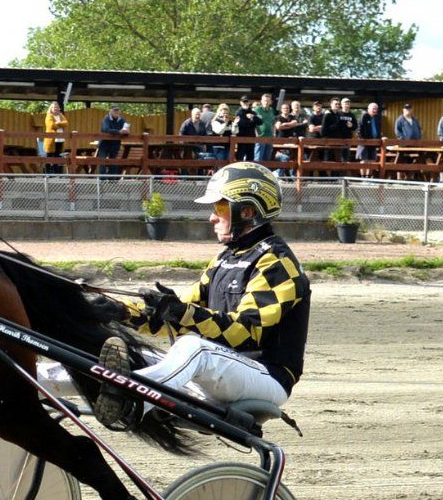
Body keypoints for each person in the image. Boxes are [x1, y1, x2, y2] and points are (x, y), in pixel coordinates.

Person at [93, 161, 310, 426]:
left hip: (266, 376)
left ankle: (132, 397)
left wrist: (182, 312)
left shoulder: (276, 262)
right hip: (222, 370)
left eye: (219, 207)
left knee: (192, 346)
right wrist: (120, 310)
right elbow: (179, 314)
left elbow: (243, 333)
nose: (212, 217)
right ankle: (43, 383)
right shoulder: (224, 260)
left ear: (247, 211)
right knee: (128, 350)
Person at [97, 105, 131, 176]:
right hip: (104, 144)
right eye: (115, 110)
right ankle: (102, 181)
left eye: (118, 110)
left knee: (113, 163)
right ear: (110, 111)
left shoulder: (122, 120)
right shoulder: (106, 119)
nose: (117, 112)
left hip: (115, 145)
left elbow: (126, 129)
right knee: (102, 162)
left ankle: (112, 181)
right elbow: (106, 129)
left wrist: (127, 132)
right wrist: (119, 132)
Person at [43, 100, 68, 174]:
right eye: (54, 107)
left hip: (60, 139)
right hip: (51, 140)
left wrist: (58, 123)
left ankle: (57, 173)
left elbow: (66, 123)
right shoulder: (49, 116)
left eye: (57, 107)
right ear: (51, 108)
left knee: (58, 156)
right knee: (49, 156)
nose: (56, 109)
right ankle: (47, 173)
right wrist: (60, 124)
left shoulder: (61, 115)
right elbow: (51, 125)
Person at [253, 93, 278, 163]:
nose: (266, 102)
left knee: (267, 158)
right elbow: (253, 123)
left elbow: (273, 123)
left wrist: (274, 133)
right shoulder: (257, 109)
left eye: (267, 101)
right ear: (261, 101)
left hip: (270, 137)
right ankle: (257, 174)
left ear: (270, 102)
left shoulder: (271, 110)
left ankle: (264, 173)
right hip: (260, 136)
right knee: (258, 158)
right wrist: (256, 134)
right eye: (264, 100)